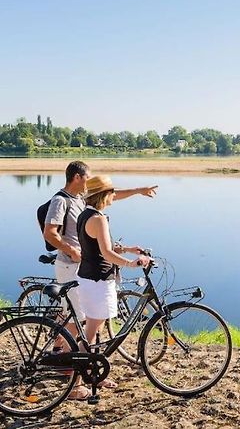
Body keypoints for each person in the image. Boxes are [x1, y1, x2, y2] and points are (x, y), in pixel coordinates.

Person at [43, 161, 157, 399]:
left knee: (90, 325)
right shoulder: (63, 201)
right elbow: (52, 233)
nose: (113, 196)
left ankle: (90, 372)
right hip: (76, 268)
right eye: (88, 176)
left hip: (88, 270)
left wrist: (137, 191)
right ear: (77, 177)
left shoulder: (84, 207)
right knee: (83, 324)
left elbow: (98, 239)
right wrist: (130, 262)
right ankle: (70, 373)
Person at [76, 175, 150, 389]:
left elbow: (96, 248)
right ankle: (75, 384)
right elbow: (106, 253)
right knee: (90, 333)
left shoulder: (86, 215)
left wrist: (127, 249)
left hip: (89, 277)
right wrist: (131, 263)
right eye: (111, 192)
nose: (113, 196)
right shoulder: (98, 219)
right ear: (103, 195)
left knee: (95, 331)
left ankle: (93, 376)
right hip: (98, 280)